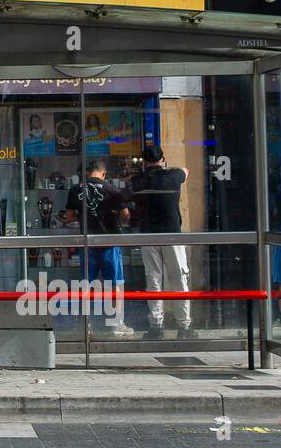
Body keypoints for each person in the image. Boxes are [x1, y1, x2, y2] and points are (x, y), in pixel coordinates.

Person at [130, 143, 193, 340]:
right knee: (179, 279)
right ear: (162, 159)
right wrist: (167, 167)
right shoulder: (173, 176)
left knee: (153, 280)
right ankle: (184, 327)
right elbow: (186, 170)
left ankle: (156, 327)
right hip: (172, 234)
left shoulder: (138, 180)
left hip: (148, 234)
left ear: (144, 162)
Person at [62, 159, 132, 335]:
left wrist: (82, 217)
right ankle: (116, 324)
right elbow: (126, 215)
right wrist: (114, 216)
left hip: (88, 244)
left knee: (85, 284)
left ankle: (83, 325)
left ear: (87, 173)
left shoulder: (75, 189)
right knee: (114, 284)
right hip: (109, 242)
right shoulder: (112, 190)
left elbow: (68, 217)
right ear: (103, 173)